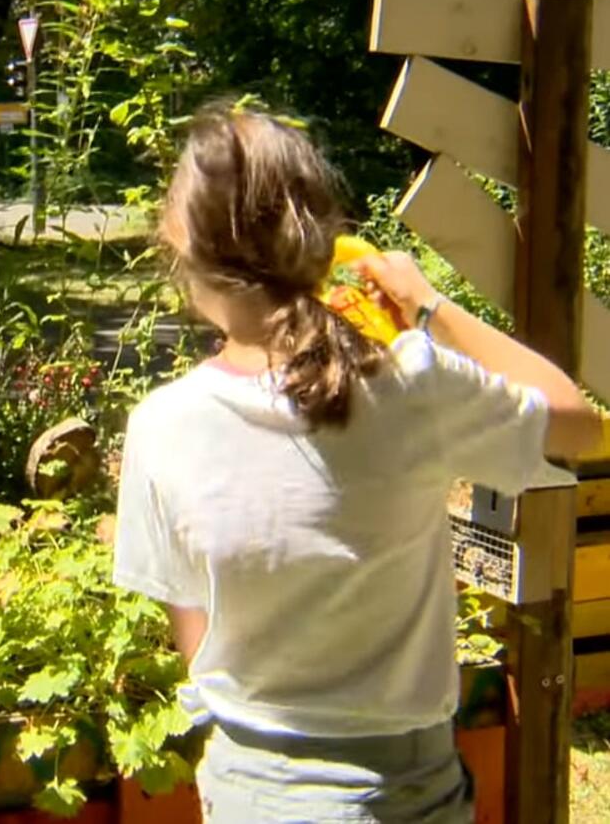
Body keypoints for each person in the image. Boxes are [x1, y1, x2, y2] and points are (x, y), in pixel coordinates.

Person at [112, 104, 602, 823]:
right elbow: (578, 423)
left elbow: (195, 630)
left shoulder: (161, 426)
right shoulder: (412, 387)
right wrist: (428, 305)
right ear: (321, 242)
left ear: (182, 246)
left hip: (252, 786)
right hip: (409, 789)